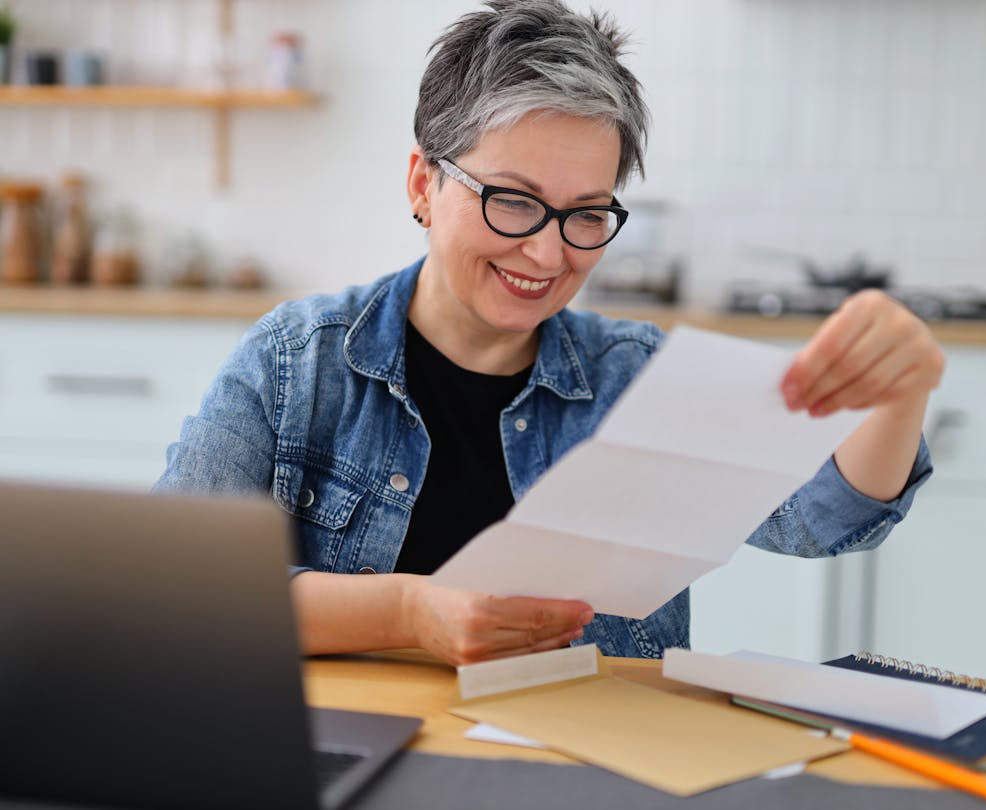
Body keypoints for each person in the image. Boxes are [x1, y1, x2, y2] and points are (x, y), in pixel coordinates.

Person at [156, 0, 942, 666]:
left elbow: (823, 517)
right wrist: (406, 614)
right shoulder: (297, 363)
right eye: (514, 200)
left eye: (587, 214)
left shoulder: (640, 380)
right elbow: (175, 595)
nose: (548, 250)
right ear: (423, 184)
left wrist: (900, 397)